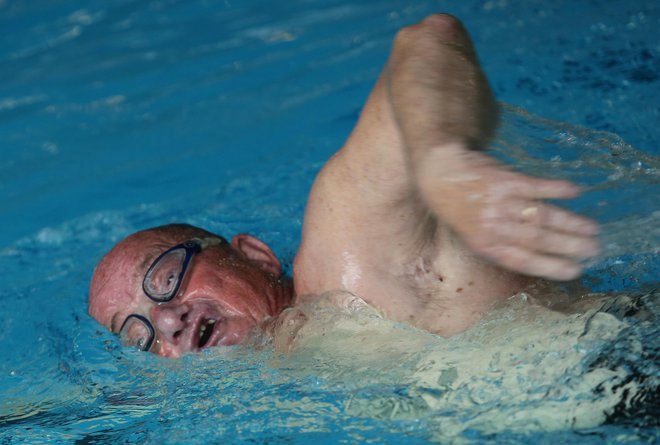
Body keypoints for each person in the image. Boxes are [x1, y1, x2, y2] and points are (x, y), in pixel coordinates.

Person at [89, 14, 600, 358]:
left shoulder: (349, 258)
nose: (167, 318)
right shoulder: (281, 385)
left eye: (164, 277)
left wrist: (438, 156)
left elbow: (429, 39)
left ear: (256, 255)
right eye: (137, 333)